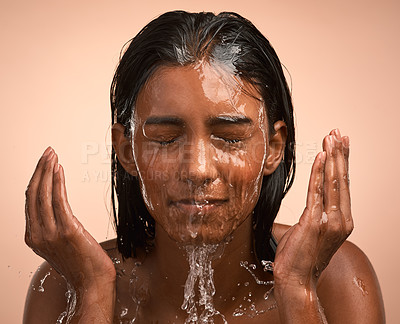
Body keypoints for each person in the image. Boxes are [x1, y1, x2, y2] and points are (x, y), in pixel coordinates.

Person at [23, 10, 385, 324]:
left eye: (229, 138)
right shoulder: (64, 284)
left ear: (274, 149)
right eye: (165, 138)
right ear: (126, 150)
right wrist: (91, 292)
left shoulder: (335, 278)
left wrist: (298, 289)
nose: (197, 169)